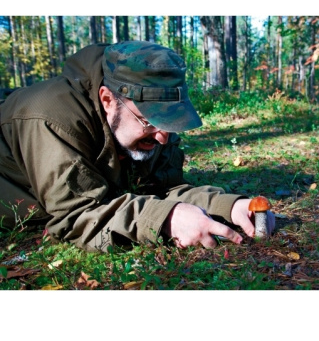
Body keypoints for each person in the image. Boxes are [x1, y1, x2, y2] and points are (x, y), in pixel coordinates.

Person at [0, 41, 275, 252]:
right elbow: (75, 215)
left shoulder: (152, 129)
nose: (163, 138)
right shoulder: (50, 118)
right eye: (149, 121)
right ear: (108, 100)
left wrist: (230, 206)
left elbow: (163, 188)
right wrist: (166, 220)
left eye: (170, 123)